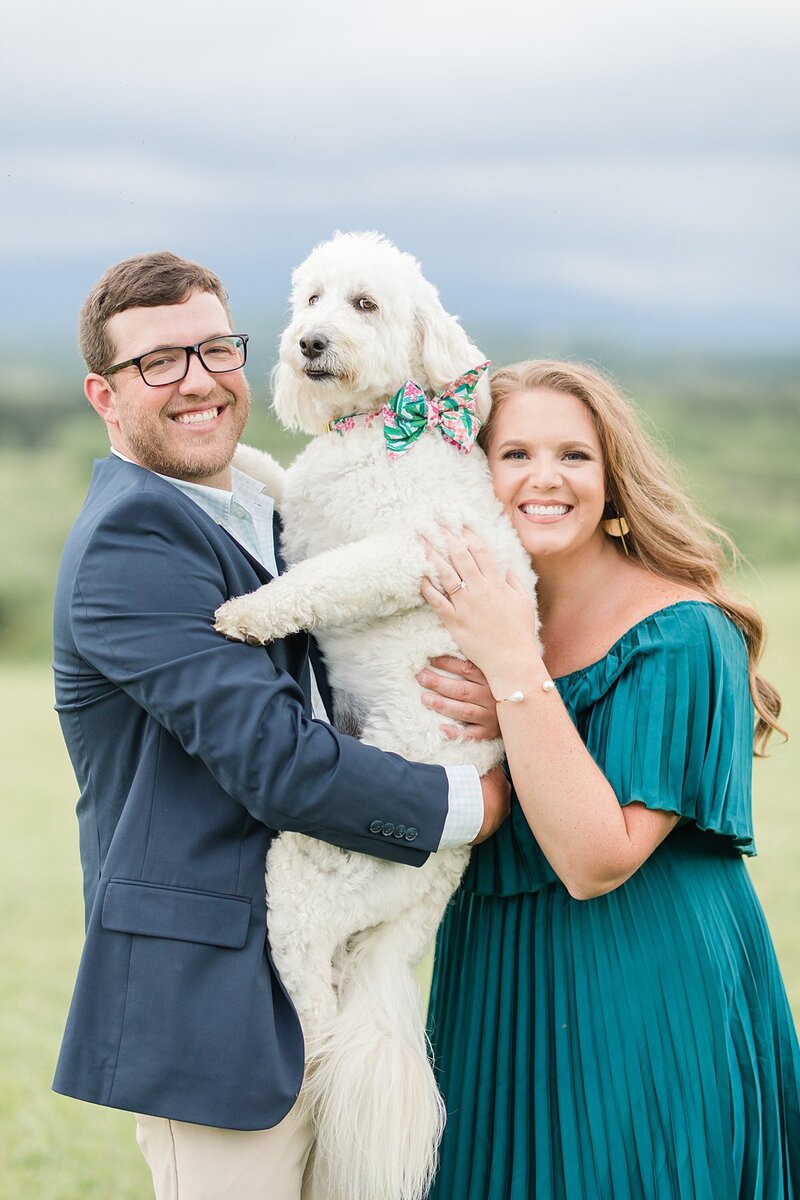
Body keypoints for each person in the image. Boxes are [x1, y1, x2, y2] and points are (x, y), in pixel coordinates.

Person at [51, 250, 509, 1200]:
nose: (198, 380)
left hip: (313, 959)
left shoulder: (243, 511)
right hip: (214, 1006)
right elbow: (277, 762)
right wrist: (476, 801)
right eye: (158, 363)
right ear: (105, 394)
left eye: (214, 349)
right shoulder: (136, 539)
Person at [417, 359, 800, 1199]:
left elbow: (597, 859)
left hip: (645, 990)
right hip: (495, 980)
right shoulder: (455, 624)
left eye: (574, 456)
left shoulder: (683, 636)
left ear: (613, 479)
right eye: (512, 453)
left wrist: (518, 672)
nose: (542, 478)